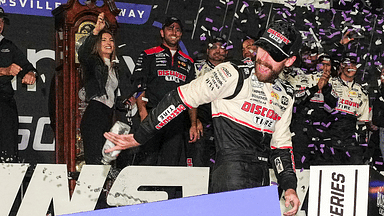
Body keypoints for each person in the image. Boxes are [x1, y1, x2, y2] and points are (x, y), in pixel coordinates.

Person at [105, 20, 302, 216]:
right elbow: (179, 97)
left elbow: (281, 147)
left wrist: (290, 186)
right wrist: (140, 136)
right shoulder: (232, 74)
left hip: (263, 180)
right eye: (262, 49)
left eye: (274, 55)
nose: (263, 59)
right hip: (231, 176)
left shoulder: (286, 94)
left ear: (289, 61)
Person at [131, 16, 195, 167]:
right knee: (147, 162)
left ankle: (168, 192)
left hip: (176, 119)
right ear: (162, 33)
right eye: (170, 28)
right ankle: (144, 190)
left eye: (178, 29)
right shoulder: (148, 54)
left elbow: (193, 94)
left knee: (171, 165)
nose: (174, 32)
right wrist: (142, 112)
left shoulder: (188, 61)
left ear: (181, 34)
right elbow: (139, 85)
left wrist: (193, 123)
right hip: (152, 116)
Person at [78, 12, 132, 165]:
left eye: (111, 40)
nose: (108, 42)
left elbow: (114, 95)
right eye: (103, 40)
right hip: (95, 114)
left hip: (109, 116)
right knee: (94, 161)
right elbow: (82, 53)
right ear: (97, 44)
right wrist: (96, 31)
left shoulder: (116, 68)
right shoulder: (92, 62)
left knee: (106, 162)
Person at [0, 7, 37, 162]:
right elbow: (7, 70)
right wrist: (4, 70)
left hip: (4, 102)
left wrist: (30, 74)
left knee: (8, 149)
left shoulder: (8, 46)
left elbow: (28, 67)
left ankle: (8, 183)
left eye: (1, 20)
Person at [187, 36, 228, 168]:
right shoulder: (197, 67)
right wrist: (194, 121)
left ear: (227, 52)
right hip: (202, 122)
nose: (218, 50)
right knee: (199, 161)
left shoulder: (232, 70)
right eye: (214, 47)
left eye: (222, 47)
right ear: (207, 50)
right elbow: (189, 95)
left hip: (225, 125)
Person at [327, 53, 370, 165]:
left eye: (353, 64)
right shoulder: (329, 83)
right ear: (341, 65)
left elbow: (363, 120)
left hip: (350, 137)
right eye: (347, 63)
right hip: (329, 133)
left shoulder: (362, 91)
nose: (350, 66)